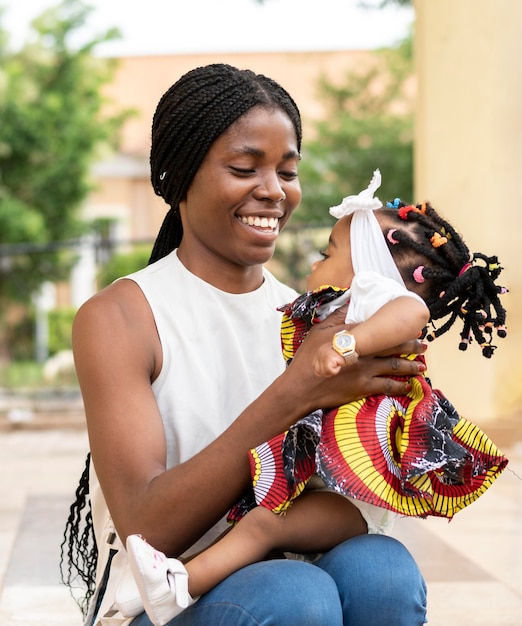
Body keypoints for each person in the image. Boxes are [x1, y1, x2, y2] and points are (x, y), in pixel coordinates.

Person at [61, 64, 429, 626]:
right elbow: (146, 526)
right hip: (170, 601)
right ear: (179, 175)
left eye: (287, 171)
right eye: (243, 168)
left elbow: (356, 481)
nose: (273, 192)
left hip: (294, 573)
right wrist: (297, 389)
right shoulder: (121, 318)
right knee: (294, 595)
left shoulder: (320, 321)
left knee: (382, 570)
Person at [117, 171, 508, 626]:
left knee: (326, 550)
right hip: (329, 496)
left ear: (368, 271)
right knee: (275, 549)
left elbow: (411, 311)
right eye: (244, 168)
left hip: (351, 495)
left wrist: (346, 346)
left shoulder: (366, 307)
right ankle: (170, 586)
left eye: (327, 255)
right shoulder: (314, 315)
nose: (313, 267)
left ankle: (174, 583)